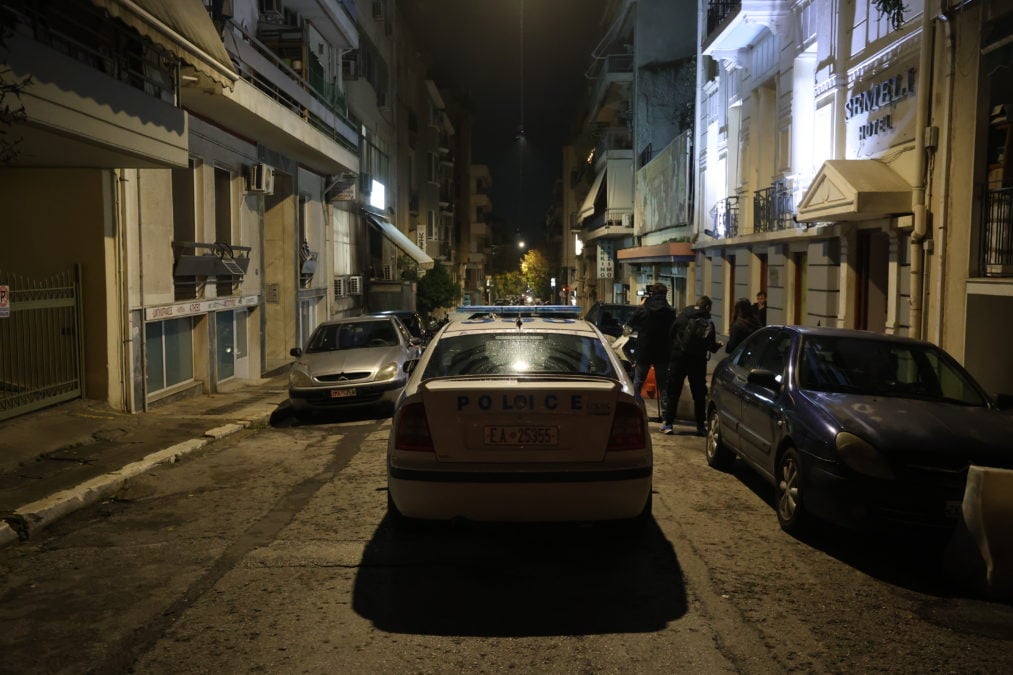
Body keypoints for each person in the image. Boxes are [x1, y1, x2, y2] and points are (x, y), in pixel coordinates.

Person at [662, 295, 722, 435]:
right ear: (707, 307)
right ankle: (700, 426)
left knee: (674, 391)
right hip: (698, 361)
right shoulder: (708, 322)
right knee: (699, 394)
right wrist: (718, 346)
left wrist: (675, 349)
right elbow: (711, 346)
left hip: (679, 358)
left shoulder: (683, 316)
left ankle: (668, 424)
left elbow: (671, 333)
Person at [627, 284, 676, 418]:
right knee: (663, 384)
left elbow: (631, 323)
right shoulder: (670, 311)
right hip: (663, 352)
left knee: (638, 382)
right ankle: (666, 415)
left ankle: (633, 409)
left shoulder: (643, 309)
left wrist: (640, 307)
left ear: (652, 294)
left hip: (644, 350)